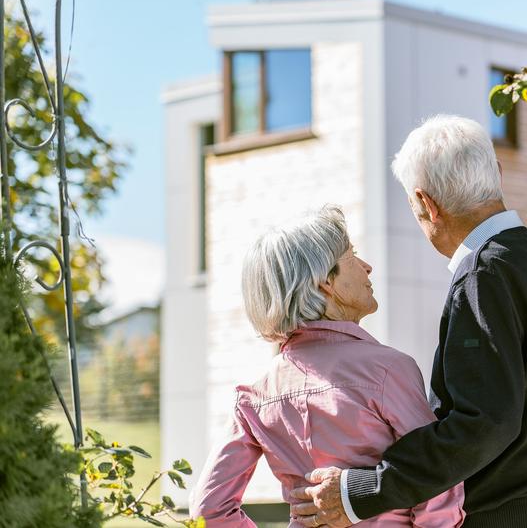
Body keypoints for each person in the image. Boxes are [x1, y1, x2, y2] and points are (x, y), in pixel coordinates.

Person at [290, 115, 527, 527]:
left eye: (415, 211)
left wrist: (362, 491)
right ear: (496, 175)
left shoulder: (483, 273)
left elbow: (484, 423)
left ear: (428, 205)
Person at [189, 206, 465, 527]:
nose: (367, 267)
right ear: (325, 283)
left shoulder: (254, 395)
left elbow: (208, 510)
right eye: (353, 256)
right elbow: (436, 478)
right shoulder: (388, 370)